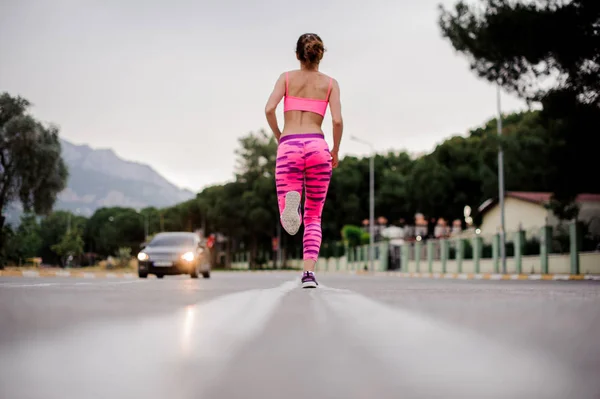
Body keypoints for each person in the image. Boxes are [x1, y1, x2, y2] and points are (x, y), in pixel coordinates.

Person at [265, 33, 343, 288]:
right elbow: (337, 121)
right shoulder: (330, 84)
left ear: (298, 55)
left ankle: (291, 206)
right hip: (318, 147)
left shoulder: (286, 78)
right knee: (314, 216)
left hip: (290, 145)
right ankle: (308, 274)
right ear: (321, 55)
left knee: (289, 205)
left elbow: (268, 109)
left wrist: (280, 136)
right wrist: (336, 150)